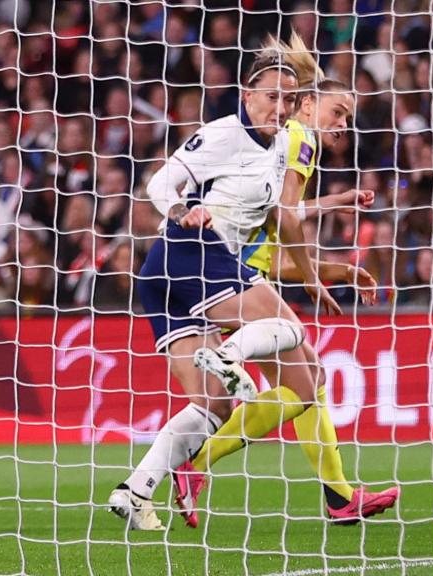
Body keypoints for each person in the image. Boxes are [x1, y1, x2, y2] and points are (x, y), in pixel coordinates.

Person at [171, 32, 398, 528]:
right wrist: (318, 279)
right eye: (338, 112)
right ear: (309, 103)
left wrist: (330, 264)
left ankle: (339, 497)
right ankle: (195, 463)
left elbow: (279, 224)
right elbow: (287, 221)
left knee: (308, 384)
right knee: (306, 382)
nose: (343, 126)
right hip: (228, 275)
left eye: (348, 119)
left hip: (222, 269)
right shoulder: (299, 138)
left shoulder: (278, 140)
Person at [108, 48, 332, 530]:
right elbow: (159, 184)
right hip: (192, 253)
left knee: (213, 404)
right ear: (247, 95)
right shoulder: (223, 134)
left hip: (167, 276)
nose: (281, 108)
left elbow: (280, 212)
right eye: (271, 97)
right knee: (291, 336)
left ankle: (136, 490)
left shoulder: (280, 146)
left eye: (289, 100)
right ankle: (231, 355)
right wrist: (181, 210)